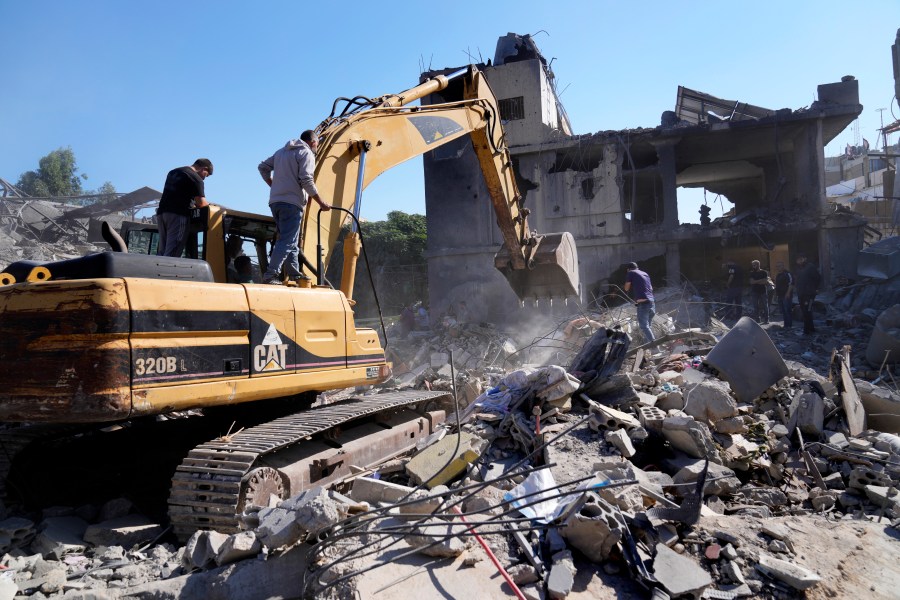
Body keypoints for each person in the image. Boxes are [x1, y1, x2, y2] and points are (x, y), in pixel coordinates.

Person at [258, 130, 331, 284]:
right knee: (287, 240)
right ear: (313, 142)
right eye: (317, 144)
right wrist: (321, 202)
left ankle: (294, 274)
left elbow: (262, 167)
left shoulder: (281, 152)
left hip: (275, 202)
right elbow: (306, 179)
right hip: (292, 203)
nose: (317, 147)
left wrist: (273, 185)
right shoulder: (306, 153)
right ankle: (270, 275)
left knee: (291, 240)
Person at [156, 159, 213, 257]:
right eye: (206, 175)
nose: (204, 178)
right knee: (172, 255)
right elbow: (202, 204)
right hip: (178, 215)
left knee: (162, 252)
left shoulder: (173, 172)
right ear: (204, 169)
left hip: (162, 213)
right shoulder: (195, 178)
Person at [623, 262, 655, 342]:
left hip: (643, 304)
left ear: (628, 269)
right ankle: (647, 345)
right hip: (652, 303)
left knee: (644, 326)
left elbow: (626, 288)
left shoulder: (631, 273)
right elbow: (651, 289)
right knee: (648, 326)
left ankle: (655, 347)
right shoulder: (645, 274)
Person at [795, 253, 821, 334]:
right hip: (801, 294)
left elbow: (818, 278)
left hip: (809, 294)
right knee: (804, 312)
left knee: (808, 311)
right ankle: (810, 329)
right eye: (797, 260)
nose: (799, 261)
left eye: (800, 259)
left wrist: (815, 289)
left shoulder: (810, 267)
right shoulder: (799, 269)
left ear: (804, 259)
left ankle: (807, 331)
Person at [748, 260, 769, 324]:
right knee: (755, 306)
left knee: (765, 306)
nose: (753, 266)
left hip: (763, 291)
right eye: (753, 265)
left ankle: (766, 319)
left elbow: (765, 282)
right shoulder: (752, 273)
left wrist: (756, 281)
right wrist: (760, 280)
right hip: (754, 291)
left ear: (758, 265)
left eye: (754, 265)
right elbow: (751, 282)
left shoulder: (764, 272)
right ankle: (757, 320)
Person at [774, 261, 794, 328]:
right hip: (780, 295)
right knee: (783, 311)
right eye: (777, 266)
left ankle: (789, 326)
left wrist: (788, 293)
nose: (778, 268)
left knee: (787, 310)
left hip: (786, 295)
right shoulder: (778, 275)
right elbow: (777, 286)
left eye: (779, 266)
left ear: (783, 266)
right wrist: (775, 295)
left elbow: (791, 284)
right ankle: (786, 325)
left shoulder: (787, 274)